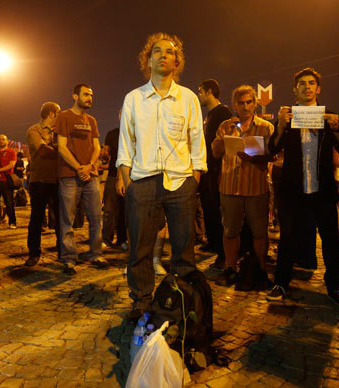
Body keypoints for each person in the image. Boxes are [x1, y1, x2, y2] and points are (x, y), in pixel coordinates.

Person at [117, 33, 206, 321]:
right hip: (142, 181)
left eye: (169, 52)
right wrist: (128, 182)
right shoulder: (134, 98)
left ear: (176, 61)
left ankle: (182, 299)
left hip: (181, 182)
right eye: (157, 51)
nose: (163, 55)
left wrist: (194, 178)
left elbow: (196, 139)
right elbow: (126, 144)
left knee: (183, 248)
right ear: (148, 59)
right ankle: (141, 301)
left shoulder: (188, 98)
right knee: (140, 249)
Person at [267, 68, 339, 306]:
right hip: (294, 190)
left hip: (322, 189)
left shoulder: (330, 116)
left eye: (311, 83)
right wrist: (281, 127)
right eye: (302, 84)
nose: (307, 87)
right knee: (287, 239)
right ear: (295, 90)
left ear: (318, 89)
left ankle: (335, 287)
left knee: (331, 241)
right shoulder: (287, 116)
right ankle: (281, 283)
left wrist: (336, 129)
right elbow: (272, 149)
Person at [211, 85, 273, 286]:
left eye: (249, 102)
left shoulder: (266, 127)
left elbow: (274, 155)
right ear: (234, 105)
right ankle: (230, 268)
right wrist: (227, 135)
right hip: (229, 186)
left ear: (255, 103)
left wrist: (256, 158)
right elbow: (216, 153)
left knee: (259, 232)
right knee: (230, 231)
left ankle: (261, 270)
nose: (245, 107)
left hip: (256, 187)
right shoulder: (225, 126)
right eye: (241, 103)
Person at [56, 84, 107, 274]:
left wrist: (90, 166)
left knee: (95, 217)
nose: (90, 98)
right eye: (86, 94)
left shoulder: (92, 120)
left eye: (91, 95)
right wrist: (79, 168)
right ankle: (69, 258)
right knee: (67, 220)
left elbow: (97, 147)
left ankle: (96, 254)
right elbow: (61, 147)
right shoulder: (64, 116)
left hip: (90, 176)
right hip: (69, 176)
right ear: (74, 95)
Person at [197, 79, 232, 268]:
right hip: (206, 169)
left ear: (210, 92)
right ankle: (212, 242)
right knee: (208, 207)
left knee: (217, 209)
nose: (199, 95)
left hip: (217, 169)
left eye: (200, 92)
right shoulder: (209, 115)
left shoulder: (223, 113)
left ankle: (222, 249)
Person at [25, 101, 62, 266]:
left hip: (57, 180)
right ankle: (34, 253)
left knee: (61, 218)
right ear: (52, 113)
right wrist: (63, 151)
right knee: (37, 218)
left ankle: (63, 251)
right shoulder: (34, 130)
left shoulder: (60, 131)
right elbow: (43, 151)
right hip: (39, 181)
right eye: (59, 112)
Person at [101, 114, 128, 251]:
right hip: (112, 175)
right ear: (119, 116)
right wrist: (104, 155)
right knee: (109, 210)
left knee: (124, 211)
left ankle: (122, 239)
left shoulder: (134, 132)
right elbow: (105, 153)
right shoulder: (112, 134)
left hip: (129, 176)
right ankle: (106, 238)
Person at [0, 134, 17, 229]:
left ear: (7, 142)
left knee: (9, 202)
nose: (1, 141)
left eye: (3, 139)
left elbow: (11, 165)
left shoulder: (12, 152)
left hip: (6, 181)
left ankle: (12, 222)